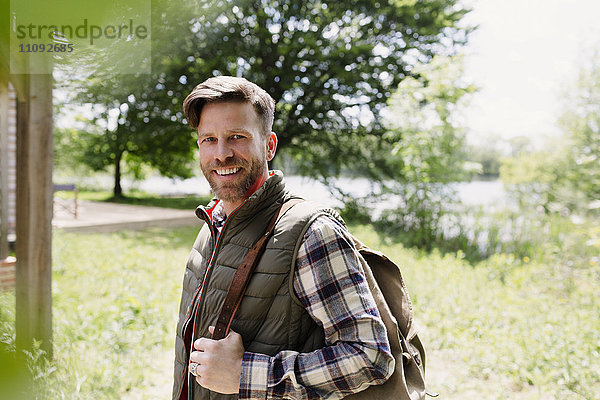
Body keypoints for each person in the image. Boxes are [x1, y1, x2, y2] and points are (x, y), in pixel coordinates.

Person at [172, 76, 394, 400]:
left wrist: (244, 374)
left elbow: (369, 357)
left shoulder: (313, 233)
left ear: (269, 145)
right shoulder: (211, 223)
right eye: (209, 139)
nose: (221, 154)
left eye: (237, 137)